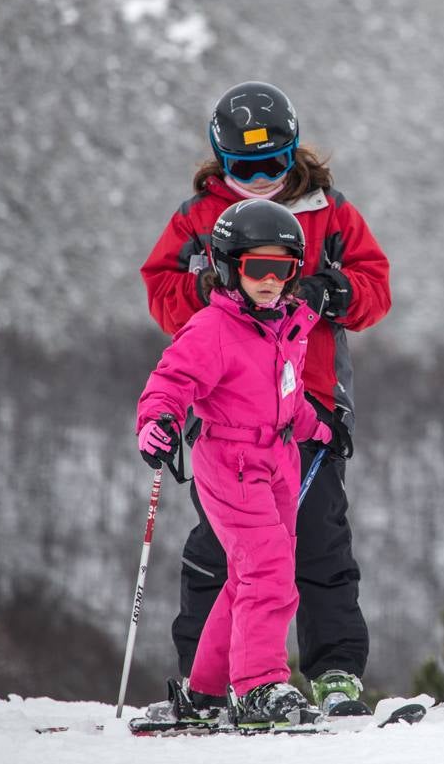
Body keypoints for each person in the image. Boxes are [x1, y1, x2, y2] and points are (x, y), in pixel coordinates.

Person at [140, 81, 390, 716]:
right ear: (221, 162)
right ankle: (214, 676)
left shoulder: (329, 211)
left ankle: (333, 671)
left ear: (294, 152)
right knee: (224, 548)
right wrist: (220, 291)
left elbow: (374, 287)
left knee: (319, 540)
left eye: (272, 166)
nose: (258, 180)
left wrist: (330, 292)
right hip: (228, 413)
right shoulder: (200, 216)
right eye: (242, 169)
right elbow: (164, 293)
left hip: (309, 403)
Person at [136, 200, 352, 726]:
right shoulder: (212, 329)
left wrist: (321, 428)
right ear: (231, 267)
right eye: (258, 267)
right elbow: (170, 382)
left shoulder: (287, 328)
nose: (271, 281)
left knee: (248, 576)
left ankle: (207, 690)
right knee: (270, 571)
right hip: (230, 460)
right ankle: (259, 685)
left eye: (283, 269)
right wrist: (158, 422)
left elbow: (287, 398)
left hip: (279, 459)